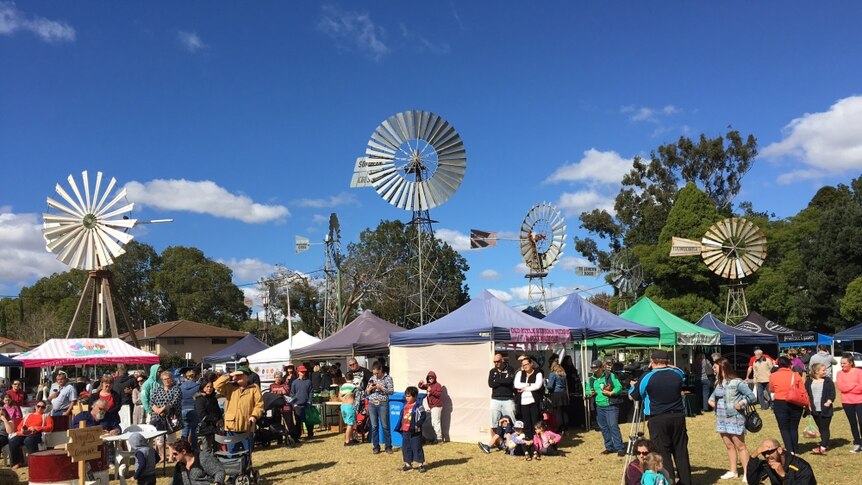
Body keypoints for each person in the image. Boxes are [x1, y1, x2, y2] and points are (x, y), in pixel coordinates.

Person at [629, 350, 691, 485]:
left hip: (658, 418)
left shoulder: (647, 377)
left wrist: (632, 386)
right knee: (681, 451)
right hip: (678, 416)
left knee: (663, 453)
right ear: (667, 361)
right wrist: (669, 365)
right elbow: (681, 373)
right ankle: (686, 481)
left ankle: (668, 481)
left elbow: (633, 396)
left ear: (652, 361)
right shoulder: (677, 374)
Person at [707, 357, 756, 480]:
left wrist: (741, 403)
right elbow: (712, 398)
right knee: (729, 445)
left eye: (715, 366)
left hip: (734, 417)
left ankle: (747, 473)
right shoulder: (718, 383)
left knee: (740, 446)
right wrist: (712, 403)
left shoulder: (737, 382)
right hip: (721, 418)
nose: (713, 368)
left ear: (722, 366)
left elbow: (752, 396)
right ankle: (733, 470)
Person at [214, 367, 263, 458]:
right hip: (231, 426)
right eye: (237, 375)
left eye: (241, 375)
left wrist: (254, 415)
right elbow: (216, 385)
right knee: (232, 452)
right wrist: (228, 376)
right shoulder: (229, 387)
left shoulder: (254, 388)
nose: (238, 377)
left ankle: (246, 470)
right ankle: (234, 472)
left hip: (247, 426)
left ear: (247, 377)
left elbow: (259, 405)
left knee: (247, 452)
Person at [769, 356, 807, 455]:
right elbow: (802, 390)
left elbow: (772, 389)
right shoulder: (796, 375)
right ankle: (795, 449)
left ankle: (789, 450)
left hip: (780, 403)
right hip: (795, 403)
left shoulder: (773, 376)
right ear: (789, 364)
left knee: (784, 428)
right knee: (794, 427)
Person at [588, 359, 625, 456]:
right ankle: (609, 447)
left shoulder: (610, 375)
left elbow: (619, 386)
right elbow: (587, 390)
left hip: (611, 405)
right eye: (592, 368)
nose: (594, 370)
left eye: (596, 368)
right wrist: (589, 393)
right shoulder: (591, 379)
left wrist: (611, 393)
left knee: (613, 426)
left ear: (601, 368)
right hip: (599, 407)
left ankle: (619, 448)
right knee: (603, 427)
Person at [747, 438, 816, 485]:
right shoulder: (768, 464)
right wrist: (753, 456)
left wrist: (783, 475)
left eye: (769, 452)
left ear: (779, 450)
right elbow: (752, 482)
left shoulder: (802, 467)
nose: (767, 456)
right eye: (763, 453)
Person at [8, 400, 53, 469]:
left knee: (28, 440)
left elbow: (50, 427)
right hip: (25, 433)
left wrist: (36, 428)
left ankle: (34, 461)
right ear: (35, 407)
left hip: (37, 433)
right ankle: (17, 462)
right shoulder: (28, 415)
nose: (40, 408)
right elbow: (19, 426)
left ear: (45, 408)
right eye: (38, 406)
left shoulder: (46, 416)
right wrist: (22, 429)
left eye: (42, 407)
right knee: (13, 441)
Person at [151, 370, 183, 460]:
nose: (166, 381)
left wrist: (162, 409)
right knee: (159, 438)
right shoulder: (158, 389)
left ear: (172, 379)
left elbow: (174, 401)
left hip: (171, 416)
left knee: (171, 438)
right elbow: (151, 402)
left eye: (168, 378)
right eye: (164, 379)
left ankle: (171, 456)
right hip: (158, 417)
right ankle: (162, 456)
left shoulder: (176, 388)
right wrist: (157, 410)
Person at [805, 362, 835, 454]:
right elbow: (806, 394)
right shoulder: (809, 381)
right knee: (820, 427)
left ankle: (822, 446)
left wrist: (829, 401)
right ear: (816, 371)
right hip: (814, 409)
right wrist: (807, 405)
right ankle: (825, 444)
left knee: (825, 428)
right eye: (823, 370)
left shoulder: (828, 381)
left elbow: (832, 393)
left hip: (826, 409)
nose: (825, 371)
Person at [366, 361, 394, 454]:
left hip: (382, 403)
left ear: (381, 370)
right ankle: (376, 447)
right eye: (374, 373)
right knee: (374, 426)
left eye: (377, 373)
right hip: (372, 403)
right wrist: (369, 389)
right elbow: (366, 392)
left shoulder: (388, 378)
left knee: (385, 425)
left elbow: (391, 391)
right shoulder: (371, 378)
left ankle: (388, 447)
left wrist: (381, 388)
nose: (376, 375)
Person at [836, 354, 862, 453]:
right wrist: (853, 385)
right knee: (853, 423)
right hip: (847, 402)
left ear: (851, 363)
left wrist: (849, 388)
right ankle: (857, 442)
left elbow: (861, 388)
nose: (842, 365)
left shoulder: (859, 372)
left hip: (860, 401)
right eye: (841, 363)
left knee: (861, 421)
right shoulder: (839, 374)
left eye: (844, 363)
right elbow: (841, 387)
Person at [514, 357, 543, 440]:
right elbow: (516, 384)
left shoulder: (538, 373)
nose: (525, 366)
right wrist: (529, 385)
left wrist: (524, 388)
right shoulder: (519, 373)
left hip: (534, 401)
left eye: (526, 364)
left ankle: (537, 440)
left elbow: (538, 386)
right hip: (523, 402)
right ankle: (528, 440)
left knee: (535, 422)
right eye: (523, 365)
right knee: (526, 423)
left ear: (531, 364)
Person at [399, 386, 427, 473]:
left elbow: (423, 416)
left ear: (415, 396)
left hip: (415, 432)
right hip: (405, 431)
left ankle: (420, 464)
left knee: (417, 447)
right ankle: (408, 464)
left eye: (409, 396)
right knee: (406, 447)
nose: (407, 398)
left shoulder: (418, 406)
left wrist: (417, 425)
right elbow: (402, 417)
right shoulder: (405, 407)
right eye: (406, 396)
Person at [488, 353, 516, 439]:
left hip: (508, 399)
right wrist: (503, 380)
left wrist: (497, 380)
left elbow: (509, 381)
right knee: (494, 423)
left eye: (498, 361)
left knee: (511, 421)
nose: (496, 363)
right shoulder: (492, 371)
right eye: (494, 362)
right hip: (495, 399)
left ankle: (512, 441)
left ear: (502, 360)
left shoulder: (510, 369)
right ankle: (499, 443)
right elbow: (491, 384)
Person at [268, 371, 299, 445]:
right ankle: (279, 439)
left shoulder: (285, 385)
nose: (278, 379)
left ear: (281, 377)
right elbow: (272, 394)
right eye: (276, 377)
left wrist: (279, 392)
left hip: (285, 406)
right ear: (274, 378)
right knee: (277, 423)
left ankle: (294, 437)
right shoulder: (272, 385)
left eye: (279, 377)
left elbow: (286, 392)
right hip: (276, 407)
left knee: (289, 422)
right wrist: (280, 392)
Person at [194, 380, 222, 453]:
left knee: (217, 449)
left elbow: (218, 410)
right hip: (205, 428)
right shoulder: (200, 399)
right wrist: (214, 419)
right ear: (203, 387)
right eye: (207, 387)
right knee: (207, 450)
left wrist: (220, 418)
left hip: (216, 427)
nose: (209, 388)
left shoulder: (213, 398)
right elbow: (201, 414)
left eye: (211, 387)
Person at [418, 370, 443, 444]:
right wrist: (420, 383)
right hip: (432, 406)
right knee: (433, 422)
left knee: (436, 422)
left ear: (435, 378)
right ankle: (436, 437)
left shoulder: (438, 385)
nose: (430, 379)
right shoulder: (428, 385)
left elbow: (439, 394)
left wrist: (431, 390)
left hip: (437, 406)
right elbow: (421, 387)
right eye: (429, 378)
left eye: (432, 378)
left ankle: (439, 438)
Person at [290, 365, 314, 440]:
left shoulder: (309, 381)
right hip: (298, 405)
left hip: (306, 404)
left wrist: (309, 401)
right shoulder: (294, 382)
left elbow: (311, 392)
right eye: (301, 371)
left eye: (304, 371)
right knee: (298, 422)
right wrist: (294, 404)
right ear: (298, 372)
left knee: (308, 420)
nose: (303, 373)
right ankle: (298, 436)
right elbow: (292, 394)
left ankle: (310, 434)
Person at [546, 360, 569, 433]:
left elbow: (550, 386)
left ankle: (559, 428)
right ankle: (566, 429)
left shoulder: (553, 374)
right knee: (564, 412)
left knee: (558, 412)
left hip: (556, 394)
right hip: (564, 394)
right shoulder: (563, 374)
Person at [180, 369, 200, 446]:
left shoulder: (181, 386)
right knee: (194, 431)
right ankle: (194, 448)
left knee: (185, 430)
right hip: (193, 408)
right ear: (195, 376)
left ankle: (183, 447)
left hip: (183, 409)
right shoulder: (198, 386)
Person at [114, 364, 137, 428]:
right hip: (129, 406)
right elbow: (138, 392)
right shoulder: (132, 380)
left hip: (117, 406)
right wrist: (132, 392)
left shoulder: (114, 382)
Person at [339, 375, 357, 446]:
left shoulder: (343, 386)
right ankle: (347, 441)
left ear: (345, 378)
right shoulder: (354, 387)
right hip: (350, 406)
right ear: (353, 378)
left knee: (348, 423)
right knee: (350, 424)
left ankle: (352, 439)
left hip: (343, 406)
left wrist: (344, 400)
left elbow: (339, 396)